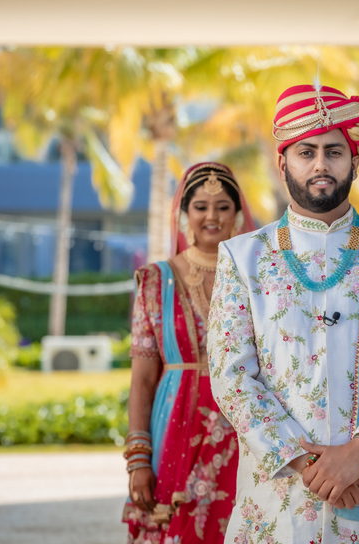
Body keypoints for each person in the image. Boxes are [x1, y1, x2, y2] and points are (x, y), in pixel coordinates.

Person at [207, 84, 359, 543]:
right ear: (283, 163)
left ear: (354, 161)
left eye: (334, 151)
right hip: (281, 500)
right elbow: (230, 377)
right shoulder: (243, 257)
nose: (320, 164)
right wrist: (311, 465)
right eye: (306, 152)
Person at [123, 162, 257, 544]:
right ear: (185, 214)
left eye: (222, 206)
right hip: (176, 425)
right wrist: (138, 459)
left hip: (247, 428)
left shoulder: (261, 277)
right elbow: (143, 379)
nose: (211, 216)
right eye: (200, 206)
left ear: (238, 213)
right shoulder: (155, 280)